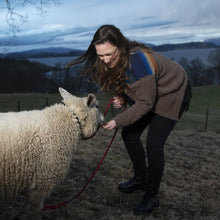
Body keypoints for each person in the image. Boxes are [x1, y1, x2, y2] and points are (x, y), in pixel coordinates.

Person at [68, 24, 192, 215]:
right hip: (152, 93)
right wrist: (122, 97)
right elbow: (129, 84)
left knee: (154, 144)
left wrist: (117, 121)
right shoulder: (110, 60)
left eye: (110, 54)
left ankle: (151, 194)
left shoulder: (140, 62)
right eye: (101, 56)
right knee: (130, 135)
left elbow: (145, 103)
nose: (106, 60)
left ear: (121, 45)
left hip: (173, 92)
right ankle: (140, 179)